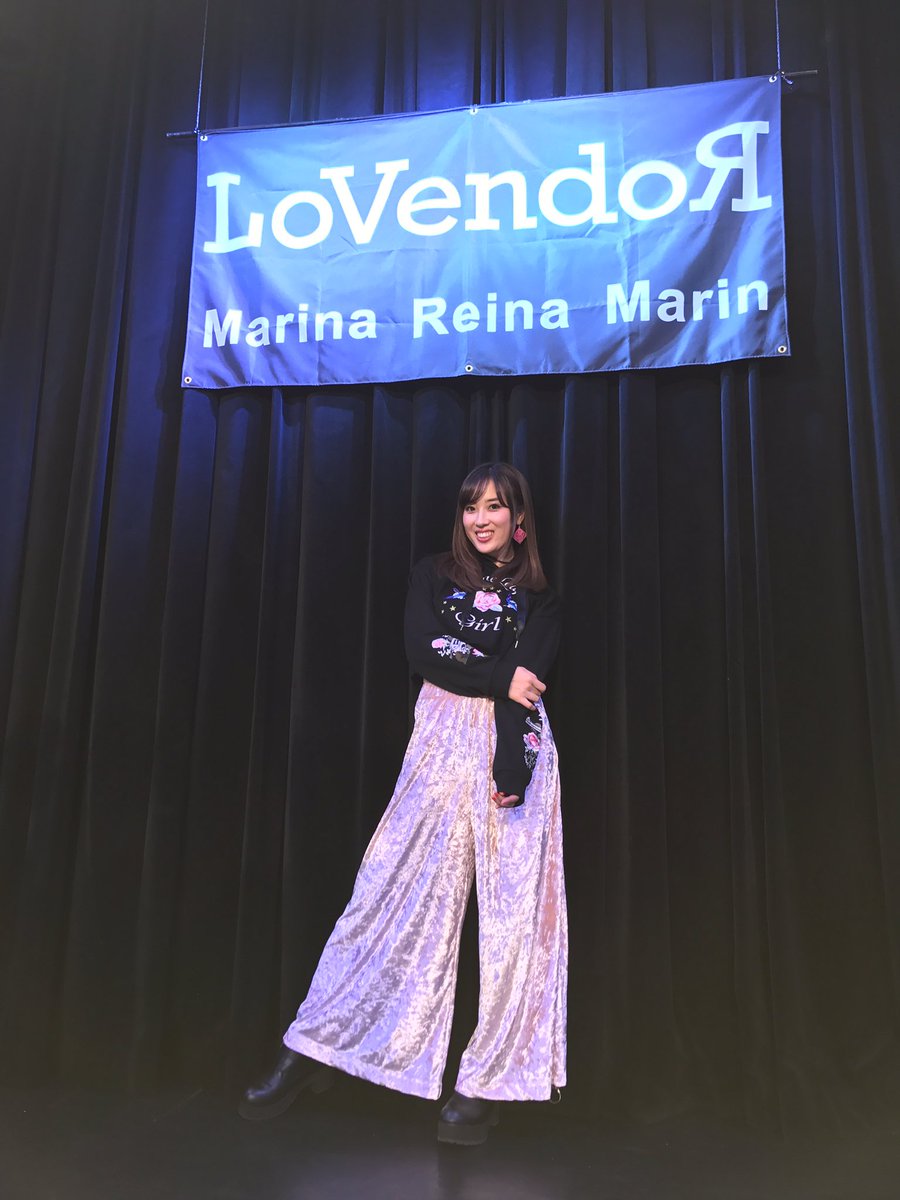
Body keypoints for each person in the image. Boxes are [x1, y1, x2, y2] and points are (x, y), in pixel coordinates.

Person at [239, 462, 567, 1145]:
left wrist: (512, 762)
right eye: (472, 506)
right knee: (386, 894)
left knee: (515, 920)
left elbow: (527, 686)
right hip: (439, 745)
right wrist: (498, 673)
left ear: (519, 519)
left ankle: (487, 1084)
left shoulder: (541, 598)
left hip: (516, 752)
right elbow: (425, 651)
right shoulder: (433, 575)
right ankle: (316, 1045)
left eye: (496, 507)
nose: (481, 519)